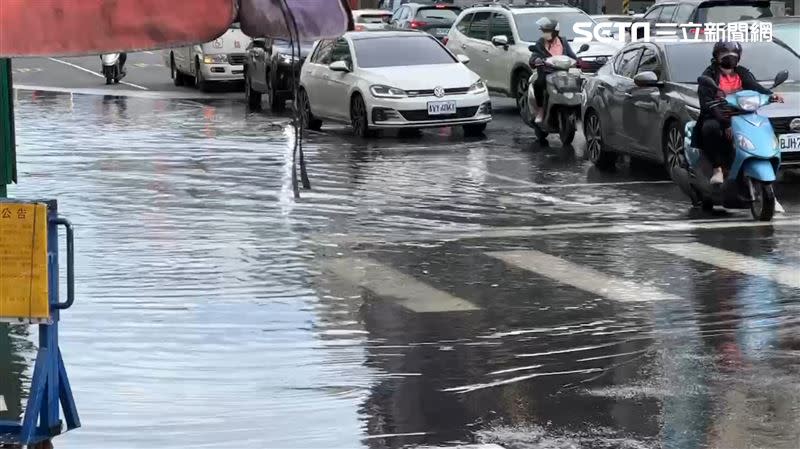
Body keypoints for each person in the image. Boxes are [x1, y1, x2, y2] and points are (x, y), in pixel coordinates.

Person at [692, 41, 783, 185]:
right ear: (716, 56)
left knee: (764, 126)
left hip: (743, 114)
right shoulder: (709, 75)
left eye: (734, 54)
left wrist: (771, 95)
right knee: (711, 128)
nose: (729, 57)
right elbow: (706, 104)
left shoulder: (742, 72)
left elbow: (754, 86)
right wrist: (726, 123)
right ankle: (717, 169)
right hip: (718, 116)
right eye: (724, 54)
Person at [529, 17, 577, 123]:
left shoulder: (563, 42)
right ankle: (540, 110)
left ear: (555, 32)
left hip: (563, 72)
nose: (545, 33)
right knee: (539, 84)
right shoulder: (540, 43)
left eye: (547, 31)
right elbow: (533, 57)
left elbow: (572, 56)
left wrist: (578, 61)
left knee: (576, 83)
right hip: (546, 72)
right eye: (544, 31)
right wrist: (536, 60)